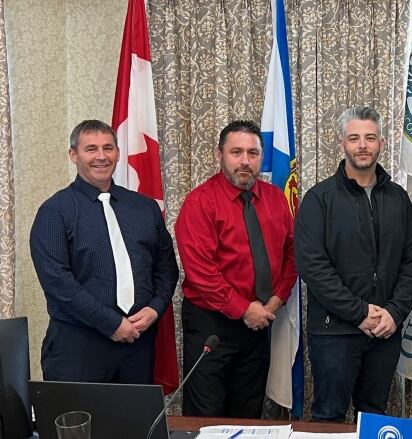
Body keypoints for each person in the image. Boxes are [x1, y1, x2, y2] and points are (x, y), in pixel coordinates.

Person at [295, 106, 412, 421]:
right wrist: (360, 312)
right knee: (329, 415)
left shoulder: (398, 198)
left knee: (376, 416)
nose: (362, 145)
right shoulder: (318, 199)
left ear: (381, 143)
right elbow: (313, 267)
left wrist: (394, 313)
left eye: (369, 138)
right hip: (334, 333)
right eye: (354, 138)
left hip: (385, 330)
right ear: (342, 144)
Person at [30, 120, 178, 383]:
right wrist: (111, 323)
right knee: (80, 424)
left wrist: (155, 308)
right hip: (78, 348)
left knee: (133, 424)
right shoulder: (55, 211)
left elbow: (166, 266)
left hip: (138, 346)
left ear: (118, 153)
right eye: (91, 149)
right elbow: (57, 282)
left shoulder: (144, 208)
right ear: (73, 155)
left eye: (108, 148)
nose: (101, 156)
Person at [175, 120, 296, 417]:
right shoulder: (199, 203)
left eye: (253, 153)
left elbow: (292, 254)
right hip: (211, 325)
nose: (245, 161)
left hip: (260, 323)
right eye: (236, 152)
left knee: (248, 411)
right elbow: (201, 272)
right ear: (220, 155)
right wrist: (244, 309)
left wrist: (278, 298)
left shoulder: (275, 199)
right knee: (206, 415)